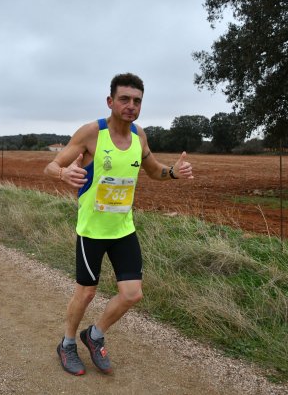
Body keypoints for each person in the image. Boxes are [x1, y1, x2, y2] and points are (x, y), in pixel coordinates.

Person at [45, 73, 194, 376]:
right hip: (91, 231)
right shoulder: (90, 133)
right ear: (110, 101)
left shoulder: (139, 135)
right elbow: (51, 165)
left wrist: (174, 172)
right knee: (86, 293)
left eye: (137, 100)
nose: (131, 105)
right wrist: (62, 175)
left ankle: (95, 335)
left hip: (123, 230)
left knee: (132, 294)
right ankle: (68, 343)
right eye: (124, 99)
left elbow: (154, 171)